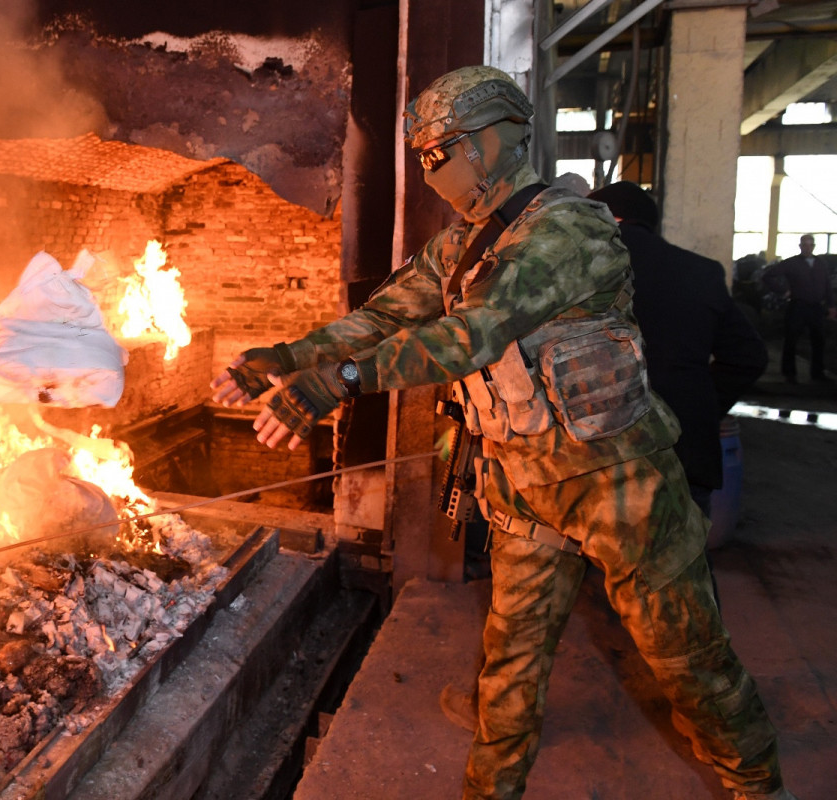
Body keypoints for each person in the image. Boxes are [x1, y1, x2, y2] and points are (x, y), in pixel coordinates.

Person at [210, 65, 792, 800]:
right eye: (423, 156)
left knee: (686, 654)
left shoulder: (568, 227)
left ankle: (757, 785)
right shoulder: (463, 247)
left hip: (619, 481)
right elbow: (386, 316)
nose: (431, 172)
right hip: (520, 482)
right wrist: (288, 357)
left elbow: (474, 334)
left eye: (439, 152)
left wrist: (341, 382)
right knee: (511, 656)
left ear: (492, 141)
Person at [587, 180, 768, 515]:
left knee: (591, 560)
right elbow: (749, 357)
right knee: (682, 561)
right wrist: (701, 402)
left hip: (593, 456)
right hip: (683, 449)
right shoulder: (702, 272)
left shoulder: (577, 273)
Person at [760, 233, 836, 383]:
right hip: (798, 306)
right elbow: (768, 276)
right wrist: (783, 290)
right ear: (800, 246)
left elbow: (827, 285)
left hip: (816, 307)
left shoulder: (821, 264)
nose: (807, 247)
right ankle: (789, 374)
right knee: (791, 339)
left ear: (813, 246)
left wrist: (832, 306)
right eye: (804, 245)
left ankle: (818, 373)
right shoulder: (791, 263)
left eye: (810, 245)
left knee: (819, 340)